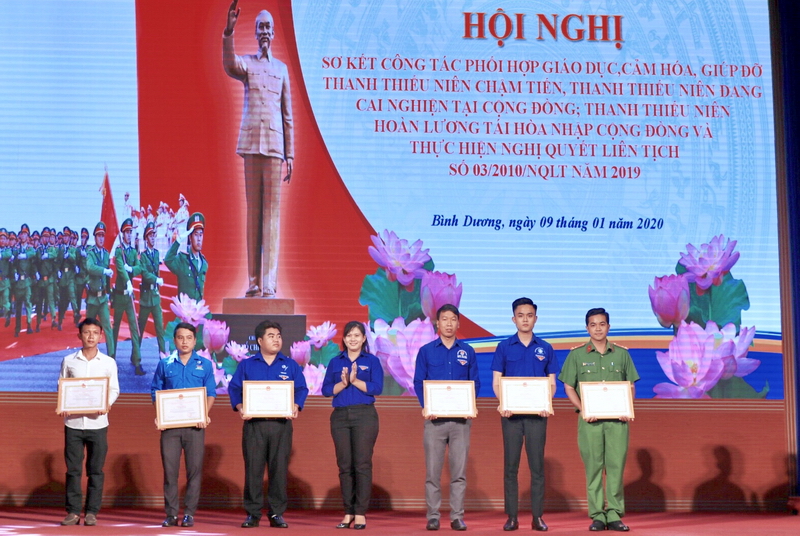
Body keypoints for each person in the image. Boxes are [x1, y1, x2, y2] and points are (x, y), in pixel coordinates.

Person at [223, 0, 294, 297]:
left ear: (273, 33)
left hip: (275, 148)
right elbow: (230, 64)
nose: (264, 32)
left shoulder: (282, 69)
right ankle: (253, 283)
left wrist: (290, 154)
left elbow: (287, 115)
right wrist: (229, 31)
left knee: (272, 216)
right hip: (252, 145)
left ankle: (269, 284)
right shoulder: (248, 64)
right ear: (255, 33)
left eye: (268, 27)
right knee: (254, 214)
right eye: (260, 27)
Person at [559, 308, 639, 532]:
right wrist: (583, 408)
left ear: (608, 327)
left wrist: (626, 407)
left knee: (615, 468)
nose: (597, 329)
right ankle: (597, 515)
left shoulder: (622, 354)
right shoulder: (577, 355)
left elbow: (631, 386)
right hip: (590, 421)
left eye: (602, 324)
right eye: (593, 325)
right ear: (587, 328)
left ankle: (614, 514)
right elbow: (568, 387)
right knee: (593, 468)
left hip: (617, 422)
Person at [229, 320, 308, 529]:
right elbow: (234, 388)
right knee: (253, 469)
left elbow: (302, 388)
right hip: (254, 425)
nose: (276, 340)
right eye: (271, 336)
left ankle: (276, 513)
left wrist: (296, 405)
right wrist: (240, 406)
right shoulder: (247, 364)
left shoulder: (290, 365)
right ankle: (253, 514)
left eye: (278, 336)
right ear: (260, 340)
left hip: (281, 425)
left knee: (279, 470)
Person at [491, 298, 559, 532]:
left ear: (535, 319)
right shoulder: (504, 347)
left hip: (537, 415)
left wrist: (546, 403)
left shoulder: (546, 348)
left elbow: (552, 382)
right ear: (514, 319)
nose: (525, 319)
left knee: (537, 467)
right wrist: (504, 403)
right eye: (521, 315)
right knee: (510, 467)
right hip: (511, 415)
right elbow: (497, 381)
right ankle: (512, 517)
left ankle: (537, 517)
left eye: (529, 315)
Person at [413, 304, 480, 531]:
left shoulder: (468, 351)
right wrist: (426, 406)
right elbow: (418, 382)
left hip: (461, 421)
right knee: (433, 472)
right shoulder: (426, 351)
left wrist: (469, 405)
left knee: (459, 474)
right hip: (434, 420)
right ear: (437, 323)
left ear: (458, 323)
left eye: (453, 319)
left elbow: (475, 383)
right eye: (444, 319)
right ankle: (433, 516)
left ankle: (457, 516)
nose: (449, 323)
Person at [151, 322, 216, 528]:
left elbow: (211, 393)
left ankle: (189, 513)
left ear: (195, 341)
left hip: (195, 426)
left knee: (194, 471)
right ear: (174, 340)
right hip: (170, 427)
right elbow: (155, 391)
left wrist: (204, 414)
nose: (184, 342)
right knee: (170, 471)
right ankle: (171, 514)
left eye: (189, 338)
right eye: (180, 337)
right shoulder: (165, 364)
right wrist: (160, 414)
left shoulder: (205, 364)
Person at [58, 317, 120, 526]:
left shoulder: (108, 362)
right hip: (73, 424)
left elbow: (114, 389)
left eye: (95, 332)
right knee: (73, 470)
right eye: (87, 332)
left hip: (98, 423)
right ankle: (73, 512)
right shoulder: (69, 360)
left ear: (101, 335)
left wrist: (106, 404)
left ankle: (92, 512)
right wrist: (64, 404)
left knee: (96, 470)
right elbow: (62, 386)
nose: (91, 336)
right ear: (80, 335)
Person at [322, 321, 383, 530]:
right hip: (340, 417)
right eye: (349, 335)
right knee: (345, 465)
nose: (353, 339)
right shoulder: (335, 361)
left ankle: (360, 513)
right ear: (344, 338)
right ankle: (348, 512)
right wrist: (343, 383)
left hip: (365, 415)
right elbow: (326, 390)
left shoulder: (372, 361)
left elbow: (377, 388)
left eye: (357, 335)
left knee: (362, 464)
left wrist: (355, 381)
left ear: (364, 338)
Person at [112, 218, 144, 375]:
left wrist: (131, 269)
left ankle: (137, 361)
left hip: (129, 296)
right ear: (122, 234)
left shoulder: (132, 252)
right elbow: (120, 269)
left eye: (131, 232)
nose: (129, 235)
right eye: (127, 232)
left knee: (134, 328)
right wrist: (128, 280)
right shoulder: (119, 251)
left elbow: (139, 268)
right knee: (115, 328)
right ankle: (111, 359)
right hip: (120, 295)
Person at [84, 223, 115, 358]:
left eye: (103, 236)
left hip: (102, 298)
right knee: (89, 329)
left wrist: (109, 292)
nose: (101, 238)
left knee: (107, 328)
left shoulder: (106, 254)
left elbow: (107, 278)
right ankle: (88, 355)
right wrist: (104, 271)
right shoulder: (91, 253)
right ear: (95, 238)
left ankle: (112, 357)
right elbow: (90, 268)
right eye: (99, 236)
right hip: (92, 298)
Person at [165, 212, 207, 301]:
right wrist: (179, 240)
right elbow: (168, 260)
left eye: (201, 235)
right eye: (196, 235)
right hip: (184, 309)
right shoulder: (183, 259)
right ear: (190, 238)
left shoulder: (204, 263)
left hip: (198, 309)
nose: (199, 239)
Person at [138, 222, 167, 355]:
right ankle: (136, 356)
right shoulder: (143, 256)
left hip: (155, 297)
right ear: (146, 238)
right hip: (145, 298)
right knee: (140, 329)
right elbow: (144, 273)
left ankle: (163, 355)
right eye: (150, 236)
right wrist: (156, 279)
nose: (153, 238)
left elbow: (157, 271)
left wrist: (157, 285)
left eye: (154, 235)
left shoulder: (156, 253)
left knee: (160, 329)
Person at [11, 224, 36, 337]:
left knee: (28, 304)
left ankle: (29, 325)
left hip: (27, 281)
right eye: (22, 233)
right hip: (18, 282)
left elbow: (33, 253)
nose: (23, 235)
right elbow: (13, 263)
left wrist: (25, 255)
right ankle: (17, 328)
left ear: (28, 236)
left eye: (25, 234)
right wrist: (15, 272)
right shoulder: (16, 249)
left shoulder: (30, 249)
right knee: (18, 306)